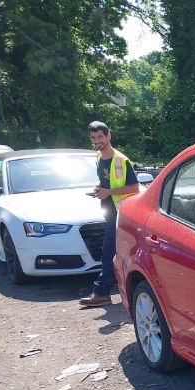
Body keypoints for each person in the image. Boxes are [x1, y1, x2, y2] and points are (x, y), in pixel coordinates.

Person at [79, 121, 139, 308]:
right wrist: (100, 190)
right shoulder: (99, 157)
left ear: (108, 136)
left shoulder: (121, 160)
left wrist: (109, 193)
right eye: (93, 138)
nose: (97, 141)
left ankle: (102, 291)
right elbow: (107, 182)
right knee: (114, 251)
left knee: (108, 251)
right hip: (109, 211)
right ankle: (113, 289)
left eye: (100, 137)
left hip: (121, 212)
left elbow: (134, 187)